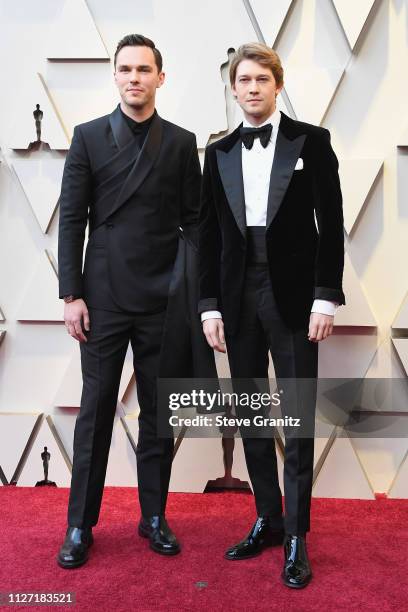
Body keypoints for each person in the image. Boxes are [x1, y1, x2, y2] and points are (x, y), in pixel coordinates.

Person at [198, 42, 345, 588]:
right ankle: (266, 516)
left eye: (262, 78)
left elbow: (331, 224)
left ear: (276, 84)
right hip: (236, 298)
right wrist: (209, 305)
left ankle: (297, 535)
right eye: (244, 80)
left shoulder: (313, 141)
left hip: (293, 294)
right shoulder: (217, 153)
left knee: (297, 417)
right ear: (234, 89)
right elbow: (209, 237)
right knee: (253, 413)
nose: (253, 88)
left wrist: (325, 295)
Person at [57, 33, 202, 568]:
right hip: (103, 298)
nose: (134, 77)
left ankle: (154, 516)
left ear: (160, 78)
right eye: (125, 69)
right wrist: (72, 293)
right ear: (115, 76)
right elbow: (73, 219)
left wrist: (191, 292)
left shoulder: (183, 143)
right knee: (94, 411)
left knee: (159, 414)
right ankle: (79, 524)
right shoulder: (89, 137)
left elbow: (196, 222)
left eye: (144, 69)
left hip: (164, 299)